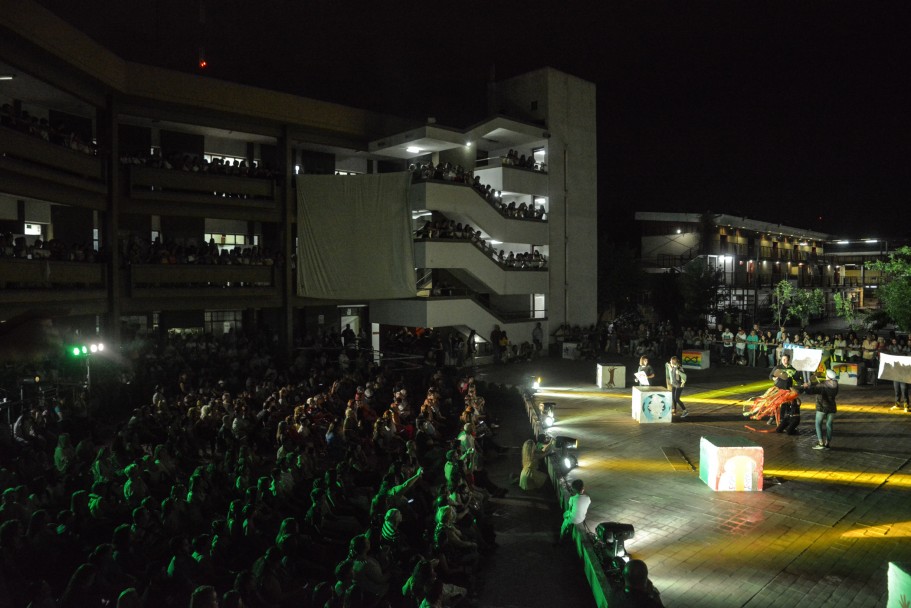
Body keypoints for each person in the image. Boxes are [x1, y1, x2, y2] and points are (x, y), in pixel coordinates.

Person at [745, 354, 798, 425]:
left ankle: (781, 419)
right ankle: (772, 417)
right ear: (781, 360)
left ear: (789, 360)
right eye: (783, 359)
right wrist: (773, 378)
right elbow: (770, 376)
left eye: (786, 359)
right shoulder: (778, 368)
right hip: (778, 389)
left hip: (787, 390)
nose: (785, 361)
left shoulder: (792, 369)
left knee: (784, 405)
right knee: (775, 405)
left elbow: (797, 378)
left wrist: (803, 383)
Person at [804, 369, 839, 449]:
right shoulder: (836, 384)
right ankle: (827, 443)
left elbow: (812, 391)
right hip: (832, 407)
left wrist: (806, 387)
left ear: (827, 376)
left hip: (822, 407)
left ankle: (821, 443)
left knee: (818, 424)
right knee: (829, 425)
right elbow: (823, 384)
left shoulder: (822, 385)